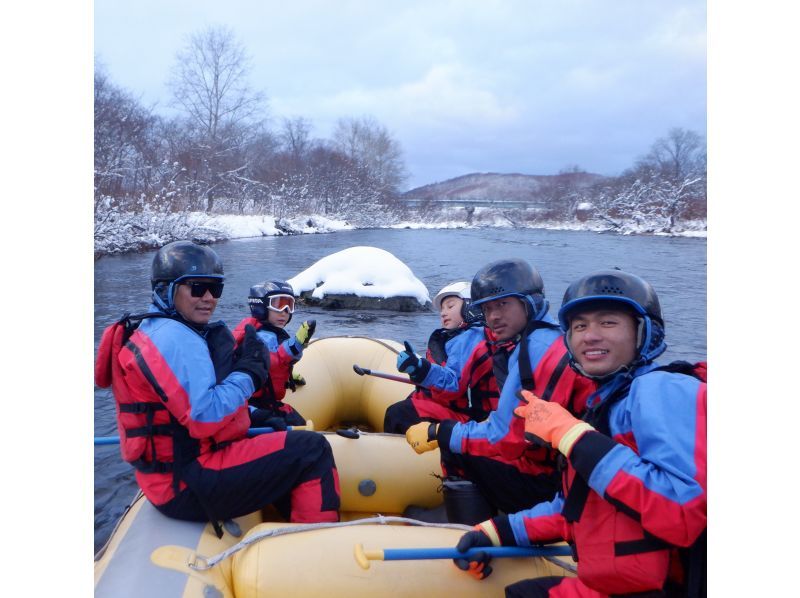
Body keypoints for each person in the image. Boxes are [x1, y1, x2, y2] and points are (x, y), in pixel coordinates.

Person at [453, 270, 707, 597]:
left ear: (643, 332)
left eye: (608, 322)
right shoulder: (609, 399)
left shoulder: (661, 387)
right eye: (580, 326)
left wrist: (572, 435)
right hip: (613, 584)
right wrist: (497, 531)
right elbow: (580, 506)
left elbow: (681, 509)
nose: (590, 336)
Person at [94, 241, 340, 535]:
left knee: (279, 432)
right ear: (166, 289)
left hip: (175, 473)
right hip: (188, 482)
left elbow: (185, 409)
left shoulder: (159, 328)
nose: (209, 298)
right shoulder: (174, 339)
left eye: (216, 288)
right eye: (197, 288)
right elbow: (204, 417)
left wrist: (252, 415)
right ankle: (317, 547)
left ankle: (286, 527)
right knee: (312, 450)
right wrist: (249, 373)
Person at [404, 259, 595, 519]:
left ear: (528, 302)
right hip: (556, 469)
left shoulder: (535, 350)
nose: (493, 316)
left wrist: (441, 431)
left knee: (455, 448)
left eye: (503, 305)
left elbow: (505, 438)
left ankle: (468, 533)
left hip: (550, 481)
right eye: (488, 308)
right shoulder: (538, 338)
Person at [383, 281, 492, 433]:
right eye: (442, 309)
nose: (443, 312)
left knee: (397, 413)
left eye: (450, 306)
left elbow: (453, 384)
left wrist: (421, 369)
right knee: (411, 400)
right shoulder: (456, 337)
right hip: (451, 406)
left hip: (466, 418)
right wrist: (417, 372)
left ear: (470, 307)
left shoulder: (471, 337)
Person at [232, 280, 316, 431]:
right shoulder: (258, 336)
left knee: (299, 422)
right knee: (299, 430)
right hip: (250, 405)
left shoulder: (270, 332)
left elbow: (274, 366)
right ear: (260, 306)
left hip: (266, 401)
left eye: (289, 305)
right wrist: (295, 345)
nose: (284, 312)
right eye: (278, 305)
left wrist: (288, 374)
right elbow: (267, 360)